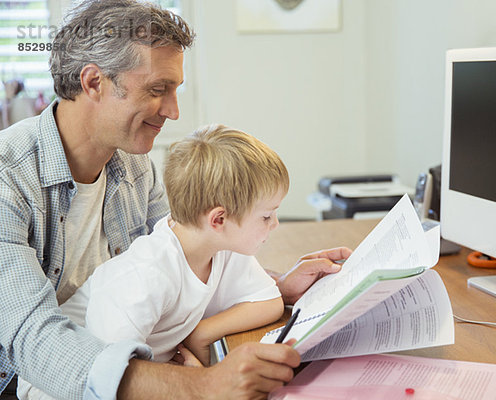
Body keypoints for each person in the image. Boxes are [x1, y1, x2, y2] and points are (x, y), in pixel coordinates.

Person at [0, 1, 351, 399]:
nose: (174, 111)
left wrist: (277, 286)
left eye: (175, 90)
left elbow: (187, 256)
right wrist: (202, 386)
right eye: (157, 89)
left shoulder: (134, 167)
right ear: (93, 82)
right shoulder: (7, 180)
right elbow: (33, 340)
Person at [18, 124, 294, 399]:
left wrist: (201, 333)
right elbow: (110, 378)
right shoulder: (145, 276)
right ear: (219, 219)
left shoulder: (222, 247)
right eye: (266, 216)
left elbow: (268, 301)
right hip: (65, 385)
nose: (275, 224)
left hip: (141, 371)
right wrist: (194, 381)